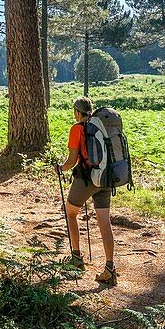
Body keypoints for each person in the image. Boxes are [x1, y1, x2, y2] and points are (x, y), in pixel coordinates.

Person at [56, 96, 117, 284]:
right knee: (104, 222)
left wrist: (60, 168)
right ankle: (109, 269)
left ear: (76, 111)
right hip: (106, 177)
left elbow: (72, 161)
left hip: (87, 179)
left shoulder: (77, 129)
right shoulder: (100, 127)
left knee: (71, 213)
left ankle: (76, 258)